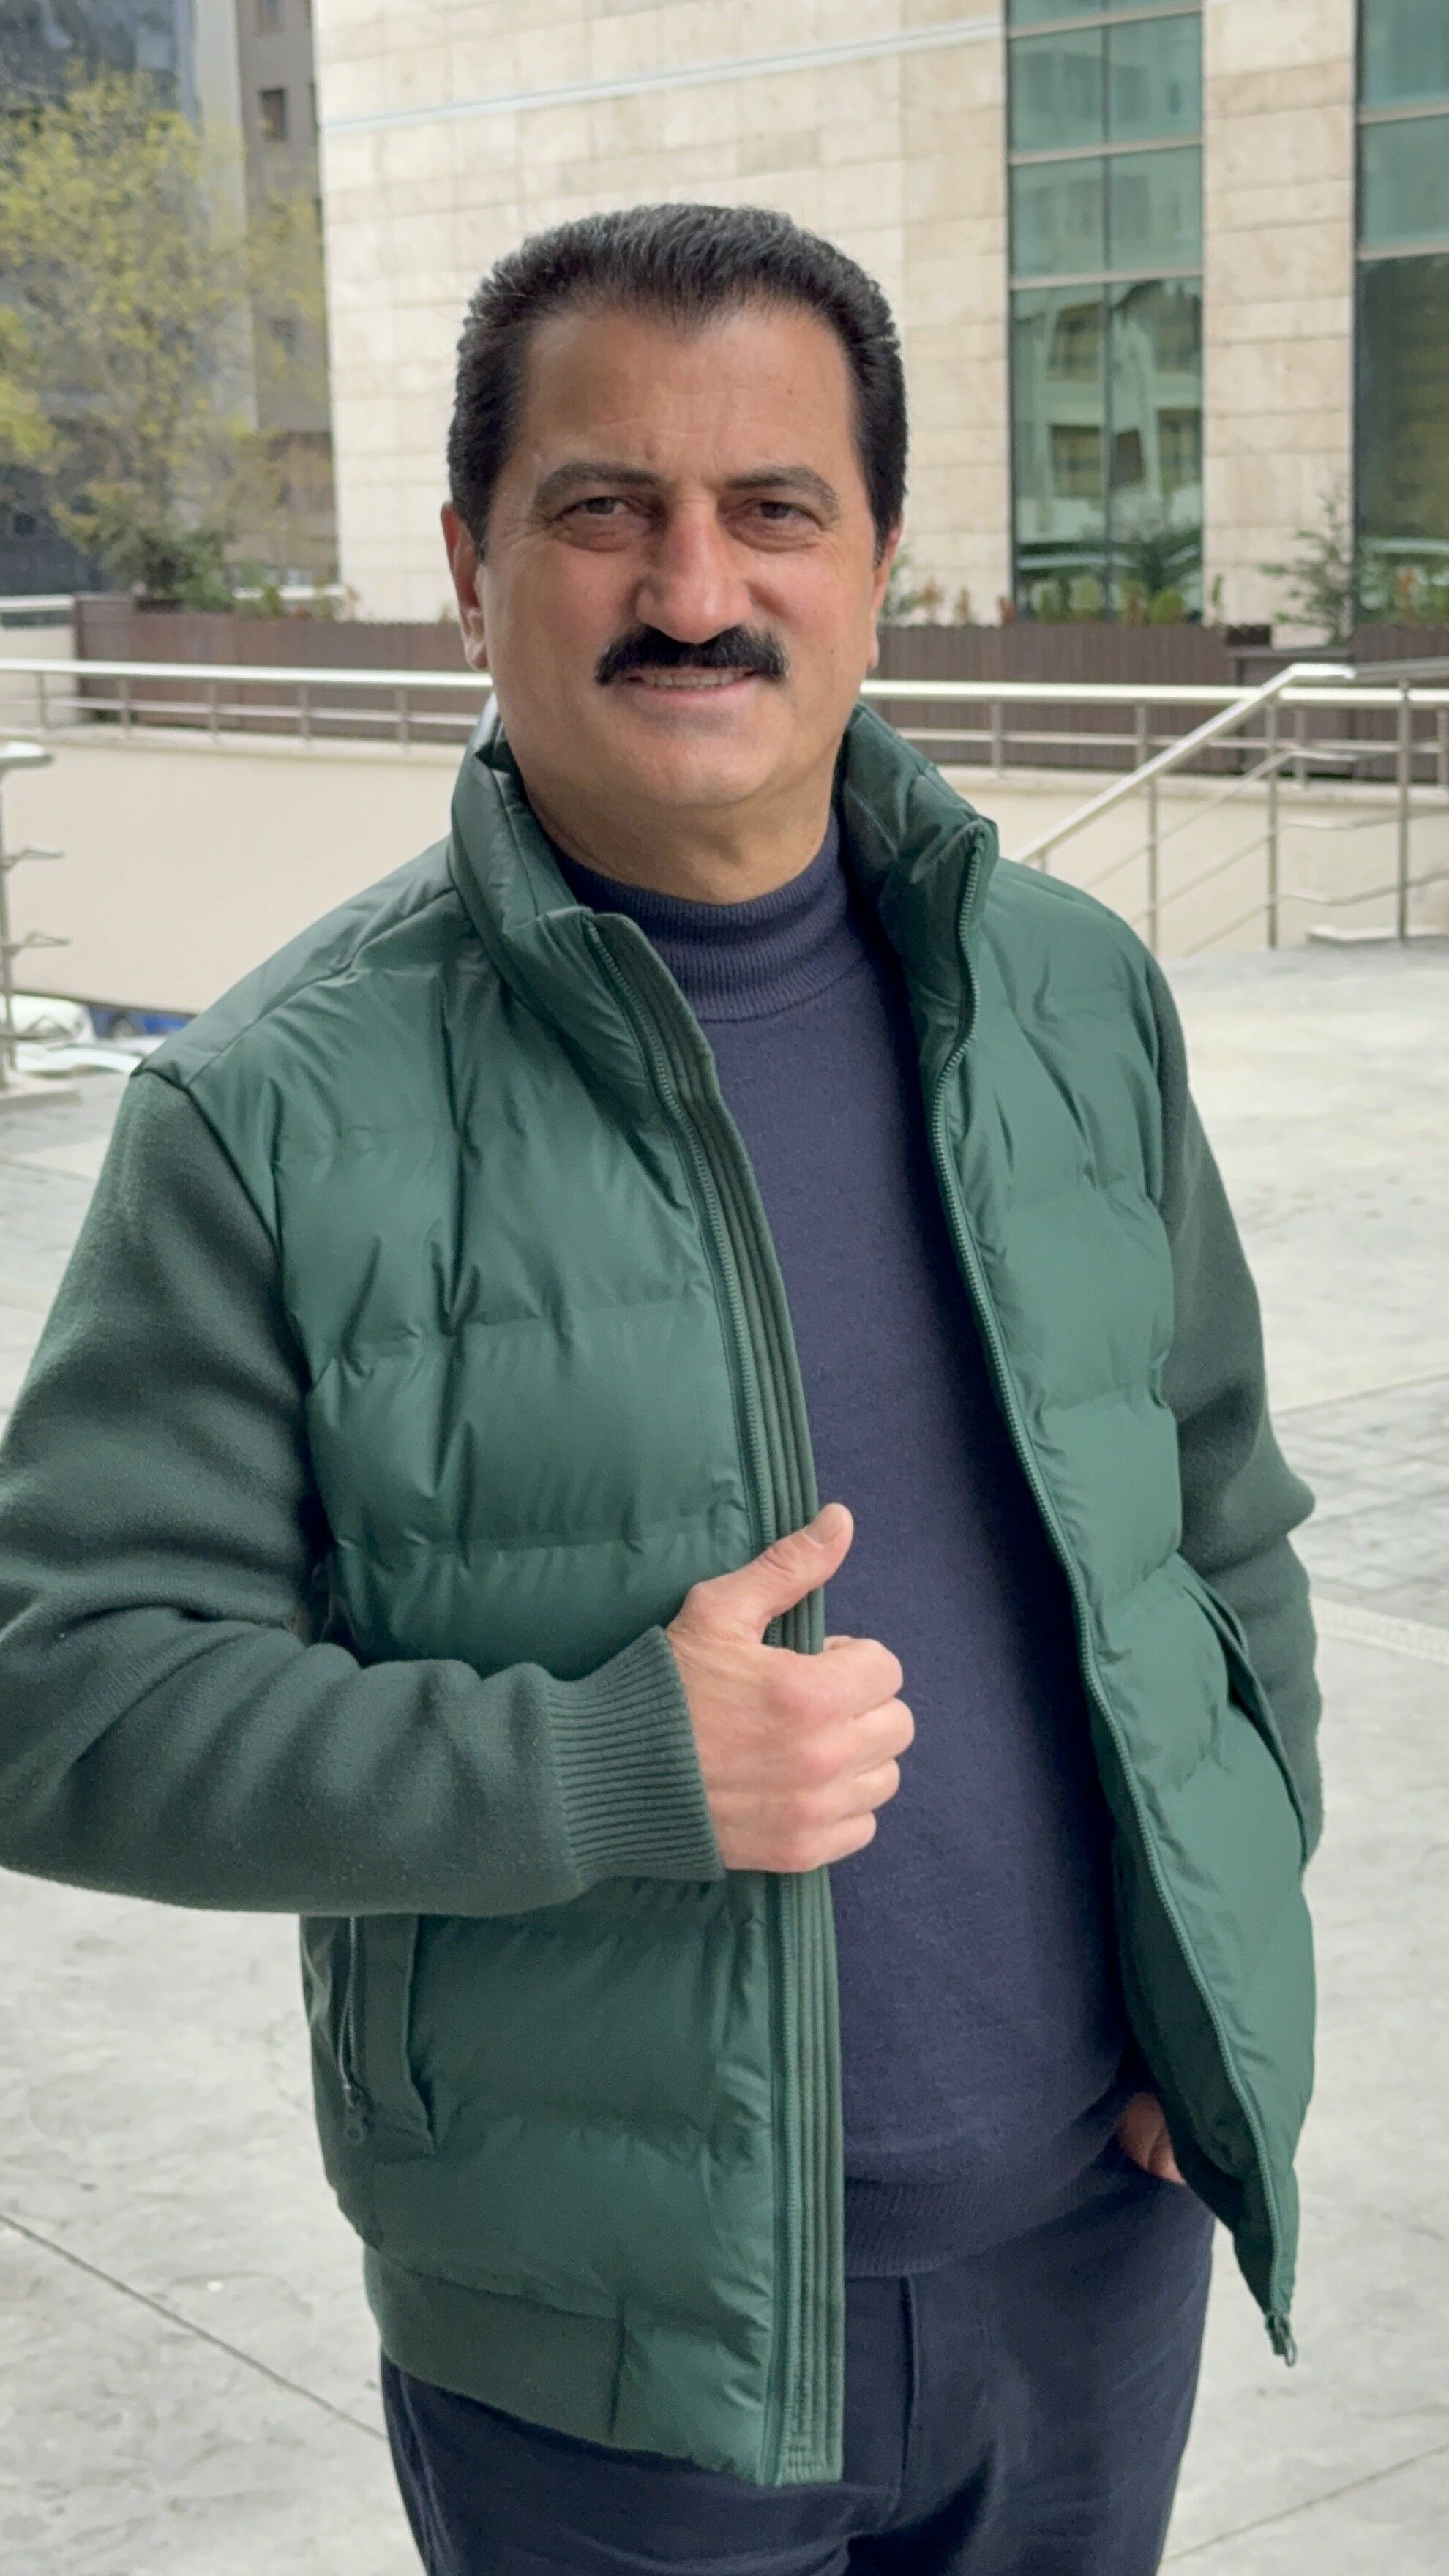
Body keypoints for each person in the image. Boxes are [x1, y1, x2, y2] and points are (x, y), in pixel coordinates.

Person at [0, 204, 1319, 2575]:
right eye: (604, 506)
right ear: (470, 564)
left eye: (771, 509)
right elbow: (59, 1695)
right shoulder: (270, 1110)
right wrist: (606, 1763)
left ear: (878, 563)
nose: (692, 589)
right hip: (609, 2348)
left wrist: (1225, 1973)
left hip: (1086, 2266)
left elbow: (1217, 1525)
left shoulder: (1070, 996)